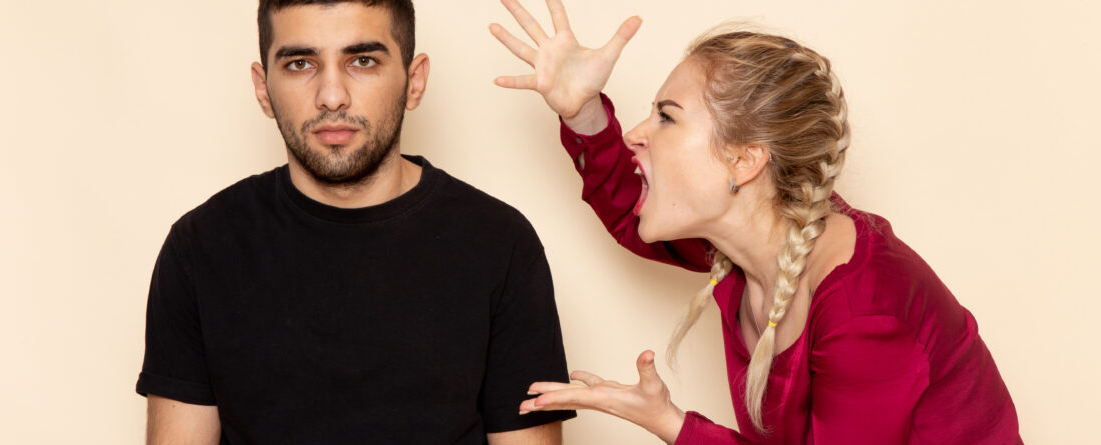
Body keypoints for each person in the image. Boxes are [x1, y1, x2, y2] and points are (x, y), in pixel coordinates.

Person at [489, 0, 1022, 443]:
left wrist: (672, 425)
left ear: (745, 160)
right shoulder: (752, 244)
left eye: (666, 116)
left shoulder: (865, 310)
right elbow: (635, 212)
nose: (636, 133)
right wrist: (582, 111)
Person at [135, 1, 576, 443]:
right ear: (263, 88)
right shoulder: (201, 248)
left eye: (362, 61)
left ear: (415, 81)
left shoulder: (500, 244)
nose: (332, 96)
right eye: (300, 63)